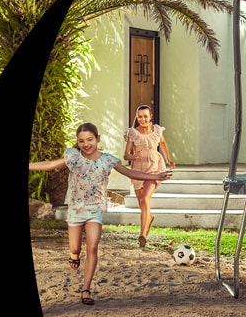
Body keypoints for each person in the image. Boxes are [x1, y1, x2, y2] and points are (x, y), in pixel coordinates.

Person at [29, 122, 172, 306]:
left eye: (90, 139)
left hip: (95, 209)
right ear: (77, 142)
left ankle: (86, 289)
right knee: (75, 249)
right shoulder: (73, 157)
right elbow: (50, 165)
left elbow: (131, 173)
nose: (86, 144)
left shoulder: (107, 160)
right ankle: (74, 256)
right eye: (81, 141)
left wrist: (156, 176)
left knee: (93, 247)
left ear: (98, 139)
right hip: (75, 209)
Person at [122, 105, 175, 249]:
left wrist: (168, 159)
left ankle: (143, 234)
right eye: (140, 117)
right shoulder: (132, 133)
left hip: (154, 167)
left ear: (150, 116)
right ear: (137, 117)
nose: (143, 119)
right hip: (138, 169)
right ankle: (149, 218)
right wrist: (133, 156)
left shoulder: (156, 130)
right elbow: (126, 154)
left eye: (145, 116)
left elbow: (162, 143)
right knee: (141, 202)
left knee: (145, 198)